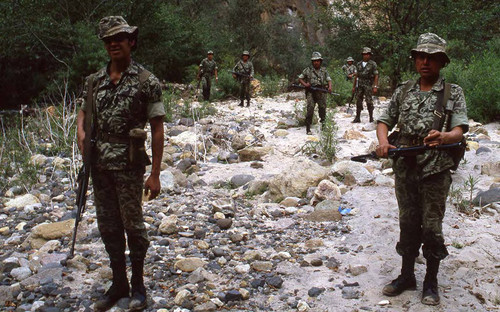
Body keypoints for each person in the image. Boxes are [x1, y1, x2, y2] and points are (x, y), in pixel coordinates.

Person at [76, 16, 165, 311]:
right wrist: (82, 138)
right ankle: (118, 283)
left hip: (129, 166)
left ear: (131, 41)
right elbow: (83, 116)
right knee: (108, 226)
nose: (113, 44)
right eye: (108, 40)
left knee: (134, 226)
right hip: (99, 166)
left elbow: (157, 127)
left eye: (119, 38)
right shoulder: (93, 81)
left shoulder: (146, 81)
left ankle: (138, 285)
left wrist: (155, 174)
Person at [376, 33, 468, 306]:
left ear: (441, 62)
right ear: (415, 60)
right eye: (421, 56)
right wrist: (383, 143)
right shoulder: (403, 89)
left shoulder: (453, 92)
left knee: (431, 226)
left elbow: (460, 130)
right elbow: (384, 120)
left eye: (432, 57)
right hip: (405, 165)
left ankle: (430, 280)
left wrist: (444, 137)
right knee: (407, 221)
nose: (425, 62)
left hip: (436, 167)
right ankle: (406, 276)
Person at [298, 51, 332, 135]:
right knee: (310, 109)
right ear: (312, 62)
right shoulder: (308, 70)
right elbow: (300, 78)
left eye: (317, 61)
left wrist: (330, 87)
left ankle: (323, 126)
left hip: (321, 92)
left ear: (320, 61)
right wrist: (305, 84)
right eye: (314, 61)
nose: (316, 62)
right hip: (311, 92)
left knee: (322, 109)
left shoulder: (324, 71)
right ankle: (308, 128)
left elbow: (329, 79)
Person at [352, 47, 379, 123]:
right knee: (358, 101)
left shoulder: (373, 64)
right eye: (364, 54)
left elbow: (376, 75)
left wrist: (375, 86)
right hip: (360, 84)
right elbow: (356, 75)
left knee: (369, 101)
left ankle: (371, 117)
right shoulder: (359, 64)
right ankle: (357, 117)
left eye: (367, 54)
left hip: (368, 84)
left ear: (370, 55)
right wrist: (354, 86)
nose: (366, 56)